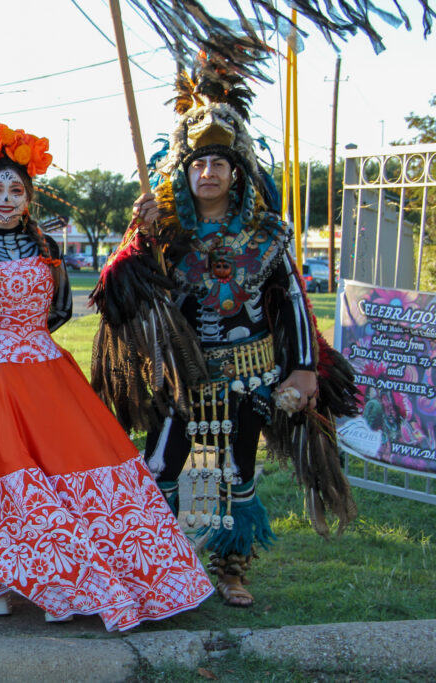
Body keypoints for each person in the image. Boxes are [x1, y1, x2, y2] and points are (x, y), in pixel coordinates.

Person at [0, 122, 213, 631]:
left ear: (29, 197)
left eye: (15, 191)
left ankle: (61, 580)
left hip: (43, 370)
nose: (6, 200)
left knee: (63, 471)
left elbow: (62, 309)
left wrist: (27, 327)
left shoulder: (47, 247)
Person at [89, 50, 358, 607]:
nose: (206, 173)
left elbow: (294, 308)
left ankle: (230, 567)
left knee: (232, 466)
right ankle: (159, 563)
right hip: (183, 378)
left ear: (236, 173)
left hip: (249, 376)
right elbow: (117, 291)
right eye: (197, 165)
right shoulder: (162, 234)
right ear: (184, 172)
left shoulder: (270, 235)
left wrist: (305, 368)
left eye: (217, 165)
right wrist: (139, 238)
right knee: (162, 462)